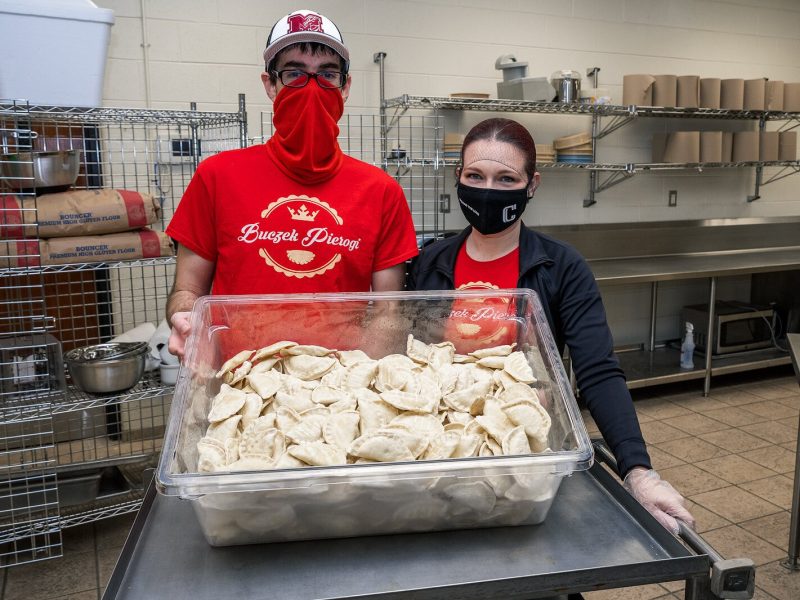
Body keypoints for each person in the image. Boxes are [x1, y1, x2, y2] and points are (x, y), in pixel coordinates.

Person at [407, 117, 695, 534]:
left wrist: (638, 470)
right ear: (459, 177)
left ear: (532, 184)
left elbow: (598, 371)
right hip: (443, 449)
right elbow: (408, 361)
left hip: (528, 451)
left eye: (506, 178)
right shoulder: (432, 262)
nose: (488, 190)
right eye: (475, 175)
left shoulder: (561, 267)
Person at [165, 9, 418, 357]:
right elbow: (187, 291)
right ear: (270, 84)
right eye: (295, 73)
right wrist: (186, 321)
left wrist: (358, 385)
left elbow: (388, 311)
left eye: (327, 74)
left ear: (344, 86)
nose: (312, 88)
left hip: (340, 390)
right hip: (242, 384)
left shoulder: (381, 191)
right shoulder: (217, 177)